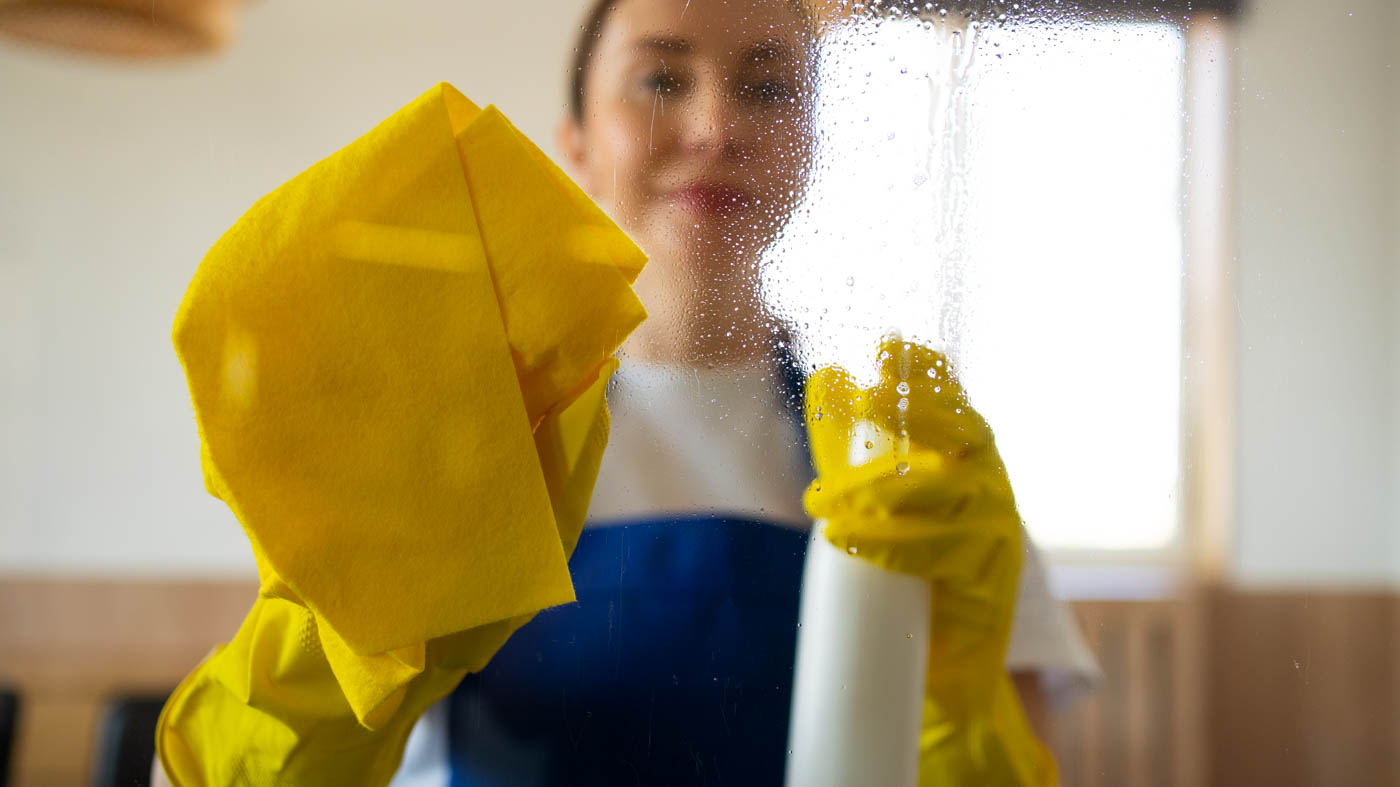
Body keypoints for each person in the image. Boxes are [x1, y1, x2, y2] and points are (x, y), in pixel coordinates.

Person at [384, 1, 1099, 785]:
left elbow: (1021, 740)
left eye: (767, 89)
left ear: (812, 144)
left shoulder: (919, 469)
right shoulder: (473, 444)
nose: (716, 128)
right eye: (661, 80)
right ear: (576, 145)